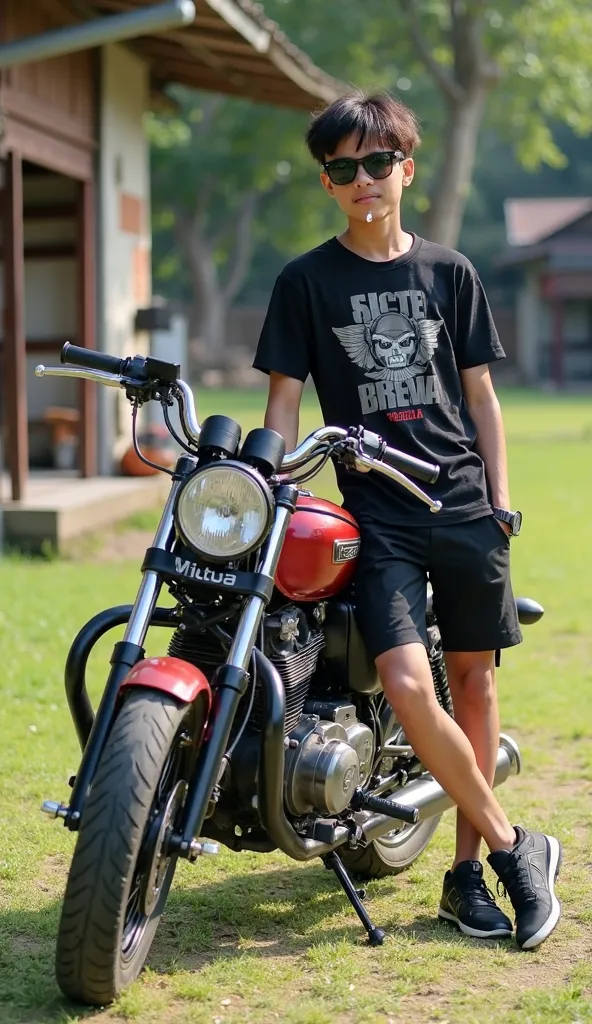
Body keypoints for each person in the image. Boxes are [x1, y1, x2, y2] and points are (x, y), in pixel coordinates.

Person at [253, 89, 562, 950]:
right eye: (343, 168)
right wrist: (262, 471)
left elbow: (482, 398)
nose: (363, 180)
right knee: (402, 679)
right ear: (328, 182)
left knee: (475, 685)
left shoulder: (450, 272)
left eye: (377, 163)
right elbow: (283, 402)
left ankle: (465, 877)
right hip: (376, 517)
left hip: (465, 505)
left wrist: (501, 500)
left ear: (406, 170)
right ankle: (515, 845)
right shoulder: (305, 282)